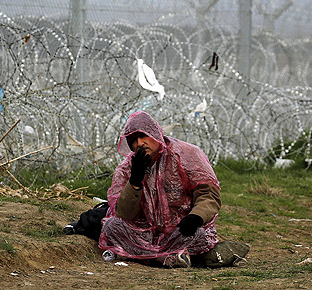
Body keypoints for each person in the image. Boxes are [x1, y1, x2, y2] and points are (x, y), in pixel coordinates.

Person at [96, 110, 249, 268]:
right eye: (134, 140)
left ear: (155, 134)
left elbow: (208, 194)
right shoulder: (128, 168)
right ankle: (169, 258)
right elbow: (124, 214)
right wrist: (135, 181)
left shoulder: (186, 155)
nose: (140, 143)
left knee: (200, 235)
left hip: (180, 229)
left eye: (143, 136)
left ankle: (144, 256)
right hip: (145, 232)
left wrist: (196, 217)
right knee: (112, 227)